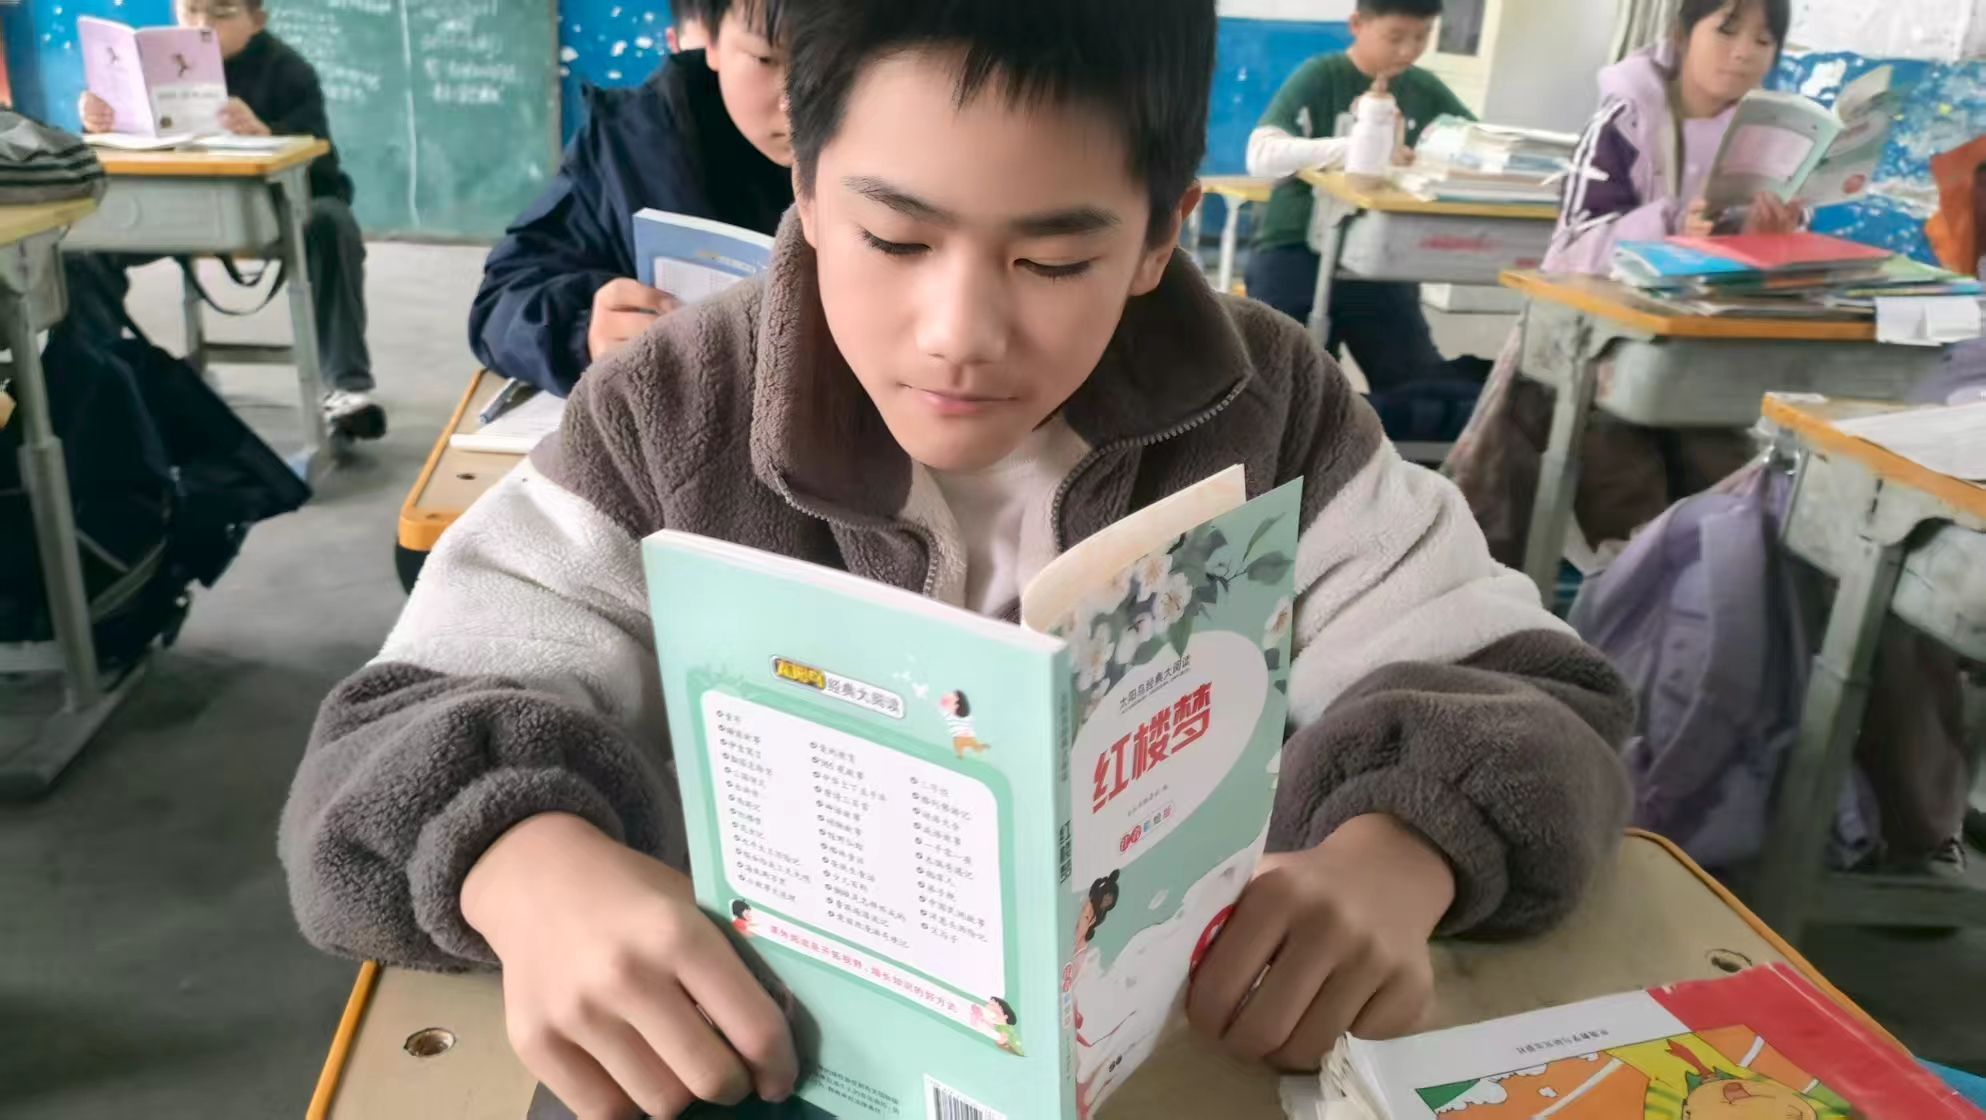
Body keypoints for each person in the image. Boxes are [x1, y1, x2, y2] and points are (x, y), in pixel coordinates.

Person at [279, 2, 1633, 1116]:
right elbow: (389, 742)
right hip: (759, 1062)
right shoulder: (671, 413)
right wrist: (527, 869)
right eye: (894, 239)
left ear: (1161, 231)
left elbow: (1534, 699)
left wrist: (1400, 852)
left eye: (1054, 259)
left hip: (1178, 1061)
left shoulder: (1268, 409)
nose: (959, 332)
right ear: (806, 187)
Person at [1446, 0, 1798, 567]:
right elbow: (1572, 249)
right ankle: (1633, 590)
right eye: (1727, 31)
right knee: (1628, 498)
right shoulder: (1627, 118)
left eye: (1763, 40)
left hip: (1698, 357)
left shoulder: (1763, 139)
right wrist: (1669, 225)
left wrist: (1765, 239)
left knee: (1742, 500)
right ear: (1681, 34)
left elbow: (1739, 271)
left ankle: (1684, 594)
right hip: (1592, 351)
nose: (1743, 53)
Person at [73, 0, 383, 441]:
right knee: (82, 249)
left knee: (332, 224)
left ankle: (346, 387)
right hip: (171, 208)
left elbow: (324, 168)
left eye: (221, 13)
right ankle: (99, 382)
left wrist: (269, 135)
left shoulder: (288, 71)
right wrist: (99, 122)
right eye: (191, 11)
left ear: (256, 20)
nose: (203, 25)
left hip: (268, 210)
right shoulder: (143, 67)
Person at [468, 0, 794, 396]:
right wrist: (585, 333)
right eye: (765, 58)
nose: (794, 102)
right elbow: (502, 302)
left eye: (829, 60)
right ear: (712, 41)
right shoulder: (634, 144)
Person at [1243, 0, 1473, 391]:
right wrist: (1359, 148)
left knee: (1417, 383)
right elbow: (1262, 155)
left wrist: (1427, 159)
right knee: (1284, 383)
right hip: (1296, 249)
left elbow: (1475, 148)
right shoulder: (1321, 76)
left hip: (1379, 261)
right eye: (1395, 37)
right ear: (1356, 25)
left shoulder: (1424, 89)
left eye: (1422, 37)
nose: (1408, 50)